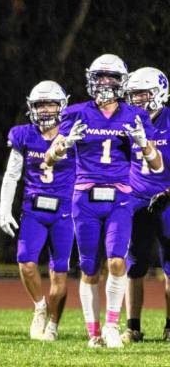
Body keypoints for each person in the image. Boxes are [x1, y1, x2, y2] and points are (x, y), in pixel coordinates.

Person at [44, 54, 162, 348]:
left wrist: (144, 144)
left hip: (120, 196)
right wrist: (64, 146)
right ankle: (93, 332)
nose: (105, 83)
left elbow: (158, 165)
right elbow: (48, 158)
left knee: (117, 261)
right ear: (91, 79)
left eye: (111, 77)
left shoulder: (135, 115)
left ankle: (111, 326)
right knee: (88, 268)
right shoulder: (74, 113)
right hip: (84, 197)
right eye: (100, 77)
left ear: (121, 82)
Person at [0, 81, 75, 341]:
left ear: (61, 106)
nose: (45, 109)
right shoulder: (24, 134)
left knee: (59, 271)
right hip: (34, 208)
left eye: (50, 103)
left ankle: (53, 325)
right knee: (26, 263)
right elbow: (12, 174)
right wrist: (4, 208)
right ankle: (40, 307)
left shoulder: (74, 133)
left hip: (65, 210)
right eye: (40, 104)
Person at [121, 67, 170, 343]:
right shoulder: (126, 122)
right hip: (136, 200)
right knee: (134, 264)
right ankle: (133, 326)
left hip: (168, 199)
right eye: (133, 94)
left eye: (142, 93)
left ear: (158, 92)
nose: (137, 99)